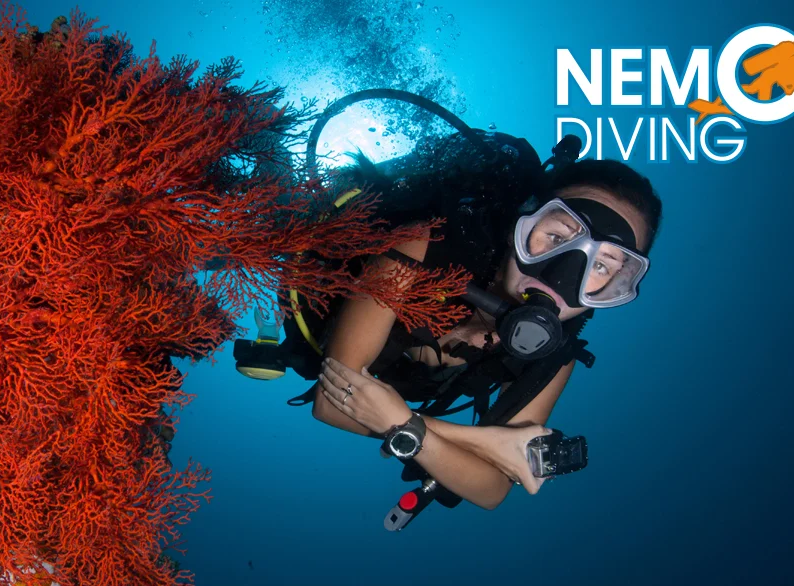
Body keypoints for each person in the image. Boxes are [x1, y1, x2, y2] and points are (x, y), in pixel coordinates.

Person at [236, 126, 663, 513]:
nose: (561, 276)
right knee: (258, 220)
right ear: (524, 221)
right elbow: (331, 404)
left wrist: (406, 426)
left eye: (604, 268)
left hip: (372, 378)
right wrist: (475, 442)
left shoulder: (554, 359)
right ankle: (264, 143)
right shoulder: (426, 244)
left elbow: (493, 490)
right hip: (317, 285)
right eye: (557, 236)